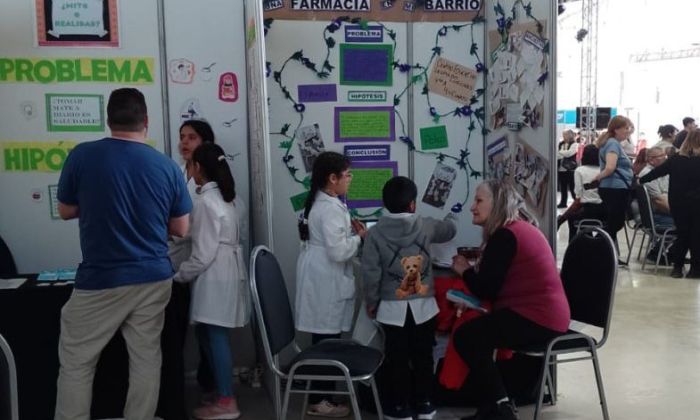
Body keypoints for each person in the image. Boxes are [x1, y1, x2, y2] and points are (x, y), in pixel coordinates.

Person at [55, 88, 192, 420]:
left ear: (108, 120)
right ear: (145, 121)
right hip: (153, 278)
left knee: (77, 360)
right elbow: (181, 229)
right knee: (145, 358)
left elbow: (65, 210)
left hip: (100, 278)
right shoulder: (167, 167)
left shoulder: (82, 156)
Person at [450, 180, 570, 420]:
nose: (472, 207)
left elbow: (487, 289)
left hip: (538, 319)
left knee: (468, 336)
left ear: (497, 205)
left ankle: (500, 407)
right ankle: (492, 407)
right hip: (542, 315)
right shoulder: (516, 229)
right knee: (477, 333)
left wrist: (464, 271)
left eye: (479, 201)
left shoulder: (505, 235)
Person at [361, 176, 457, 420]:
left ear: (385, 204)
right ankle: (424, 403)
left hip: (391, 310)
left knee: (396, 360)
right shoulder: (424, 225)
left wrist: (372, 303)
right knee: (424, 356)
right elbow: (449, 230)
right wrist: (452, 217)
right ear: (413, 204)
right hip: (424, 307)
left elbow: (370, 273)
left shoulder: (375, 234)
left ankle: (400, 408)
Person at [174, 143, 248, 419]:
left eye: (190, 165)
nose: (188, 170)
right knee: (207, 333)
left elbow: (203, 254)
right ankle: (222, 392)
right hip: (223, 271)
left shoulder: (206, 202)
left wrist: (178, 275)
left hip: (215, 273)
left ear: (198, 169)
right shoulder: (225, 197)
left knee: (215, 335)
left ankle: (227, 401)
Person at [295, 151, 367, 417]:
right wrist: (359, 238)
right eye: (347, 175)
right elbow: (337, 252)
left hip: (320, 275)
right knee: (327, 341)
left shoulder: (321, 202)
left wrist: (350, 233)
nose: (350, 179)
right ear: (332, 178)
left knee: (323, 337)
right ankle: (320, 401)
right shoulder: (328, 208)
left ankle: (321, 395)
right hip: (326, 277)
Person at [640, 130, 700, 279]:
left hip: (678, 202)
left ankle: (677, 268)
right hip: (697, 202)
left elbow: (657, 172)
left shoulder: (676, 159)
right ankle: (695, 270)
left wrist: (639, 181)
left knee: (682, 233)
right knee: (696, 235)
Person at [591, 115, 634, 259]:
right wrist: (598, 177)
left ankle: (608, 253)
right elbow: (610, 167)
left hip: (614, 187)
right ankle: (601, 251)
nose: (628, 131)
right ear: (616, 129)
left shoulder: (611, 143)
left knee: (614, 222)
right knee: (615, 223)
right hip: (614, 188)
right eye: (626, 128)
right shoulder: (613, 144)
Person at [557, 144, 606, 240]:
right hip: (603, 212)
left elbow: (578, 197)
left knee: (572, 217)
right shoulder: (603, 170)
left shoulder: (579, 171)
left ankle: (573, 245)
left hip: (587, 211)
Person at [557, 129, 578, 208]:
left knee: (572, 187)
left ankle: (576, 202)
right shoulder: (561, 144)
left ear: (569, 135)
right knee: (563, 187)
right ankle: (563, 202)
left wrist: (561, 152)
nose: (563, 136)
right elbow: (557, 155)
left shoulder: (574, 144)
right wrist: (563, 153)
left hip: (570, 169)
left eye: (564, 134)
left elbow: (569, 153)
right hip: (561, 169)